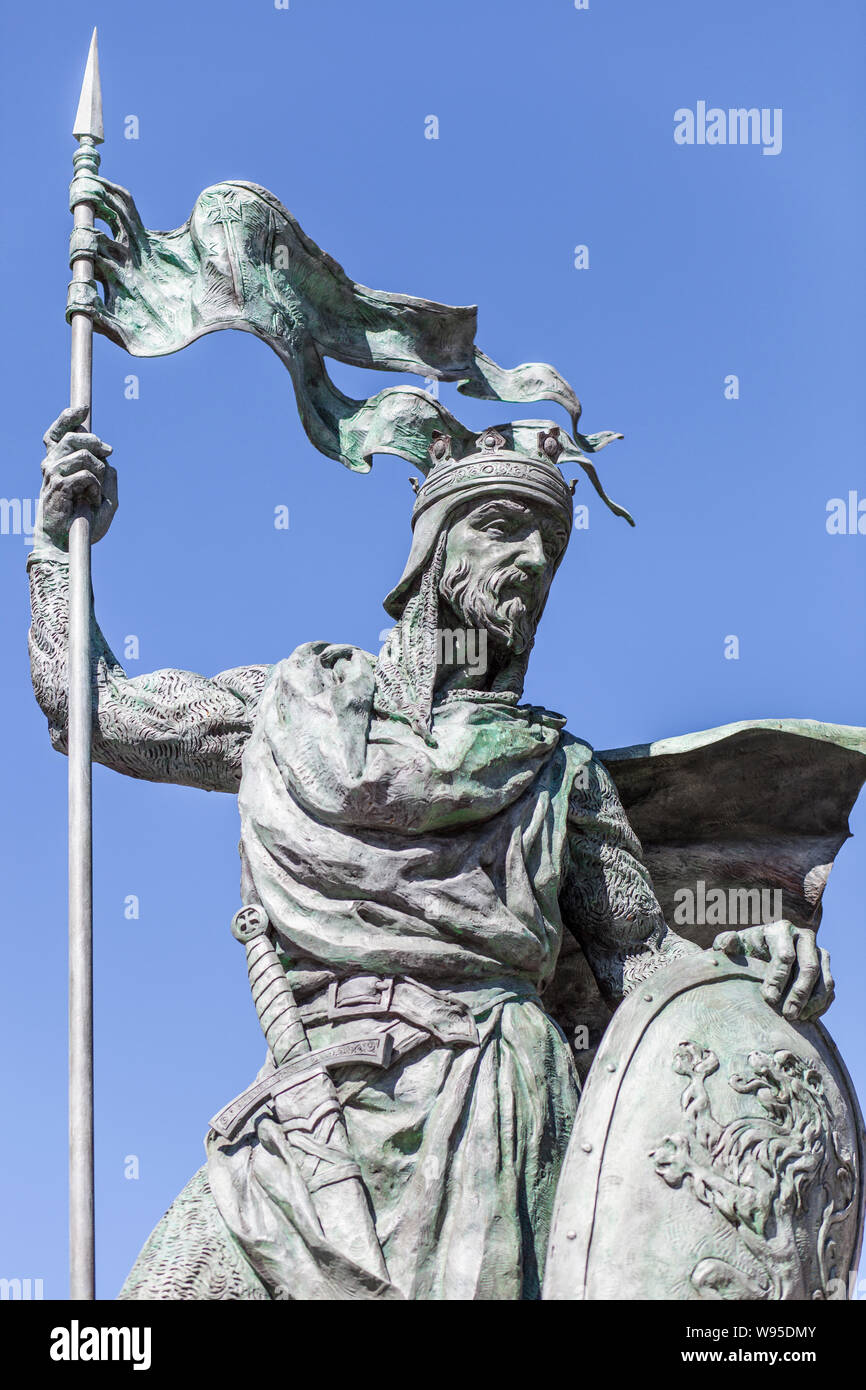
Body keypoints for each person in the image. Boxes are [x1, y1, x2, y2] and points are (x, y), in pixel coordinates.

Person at [29, 412, 834, 1300]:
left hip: (489, 1118)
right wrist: (59, 551)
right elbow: (91, 706)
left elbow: (637, 956)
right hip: (309, 1108)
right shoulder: (297, 710)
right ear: (431, 555)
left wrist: (740, 965)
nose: (530, 558)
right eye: (500, 527)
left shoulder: (555, 773)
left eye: (549, 547)